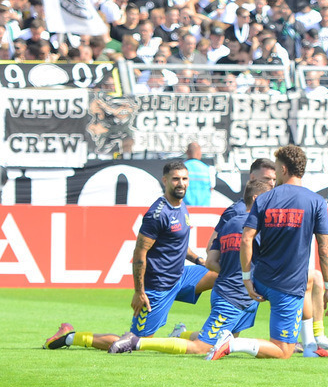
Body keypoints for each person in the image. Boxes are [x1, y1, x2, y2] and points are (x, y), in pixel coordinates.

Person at [46, 161, 214, 352]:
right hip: (158, 287)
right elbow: (140, 253)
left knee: (221, 275)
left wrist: (199, 261)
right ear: (165, 180)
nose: (181, 183)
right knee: (132, 343)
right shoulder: (157, 214)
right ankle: (70, 337)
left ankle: (197, 335)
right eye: (176, 179)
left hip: (181, 276)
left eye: (184, 179)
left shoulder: (181, 206)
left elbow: (177, 244)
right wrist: (139, 292)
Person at [107, 180, 273, 355]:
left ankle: (181, 334)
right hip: (233, 295)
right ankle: (135, 342)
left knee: (225, 341)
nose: (273, 205)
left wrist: (229, 272)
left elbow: (210, 261)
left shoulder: (230, 223)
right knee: (202, 347)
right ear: (256, 199)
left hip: (234, 293)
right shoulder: (259, 228)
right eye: (269, 200)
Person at [208, 145, 328, 360]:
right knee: (284, 350)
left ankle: (310, 347)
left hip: (261, 280)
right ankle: (233, 343)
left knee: (308, 281)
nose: (275, 174)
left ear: (284, 169)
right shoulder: (315, 201)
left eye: (276, 168)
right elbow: (324, 247)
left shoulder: (264, 199)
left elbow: (247, 238)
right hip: (287, 285)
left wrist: (247, 278)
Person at [182, 142, 215, 207]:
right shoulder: (208, 169)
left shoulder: (180, 169)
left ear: (187, 152)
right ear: (199, 153)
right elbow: (211, 189)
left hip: (185, 209)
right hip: (203, 210)